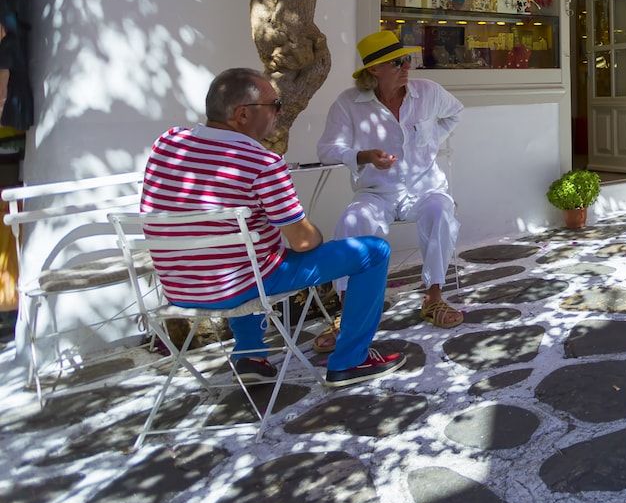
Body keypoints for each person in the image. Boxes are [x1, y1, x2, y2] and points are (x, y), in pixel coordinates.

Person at [140, 68, 402, 388]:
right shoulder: (262, 162)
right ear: (243, 114)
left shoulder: (167, 143)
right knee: (373, 252)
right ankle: (350, 360)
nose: (279, 113)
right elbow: (303, 241)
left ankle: (250, 354)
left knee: (243, 251)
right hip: (238, 285)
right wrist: (313, 233)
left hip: (180, 288)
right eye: (274, 105)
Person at [317, 30, 466, 342]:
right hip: (376, 192)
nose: (408, 67)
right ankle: (349, 310)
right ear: (375, 70)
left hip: (425, 188)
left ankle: (434, 297)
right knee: (351, 221)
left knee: (440, 209)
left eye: (408, 59)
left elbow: (455, 114)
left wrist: (430, 144)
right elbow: (328, 149)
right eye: (399, 62)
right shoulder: (349, 104)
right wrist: (363, 156)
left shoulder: (428, 92)